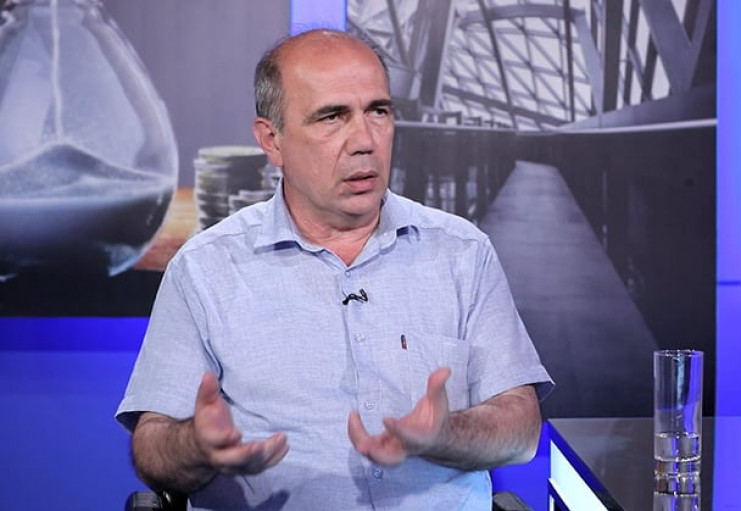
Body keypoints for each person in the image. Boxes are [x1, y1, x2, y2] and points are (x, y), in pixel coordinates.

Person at [116, 28, 553, 510]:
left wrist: (445, 433)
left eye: (378, 111)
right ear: (272, 140)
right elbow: (152, 448)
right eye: (332, 117)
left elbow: (521, 431)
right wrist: (196, 445)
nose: (365, 141)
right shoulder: (204, 269)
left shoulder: (462, 252)